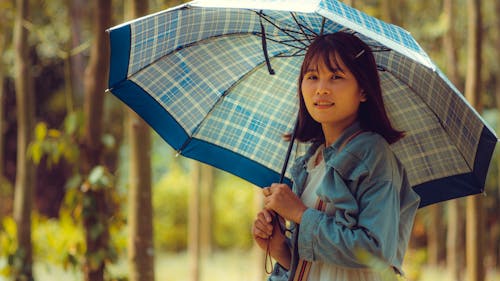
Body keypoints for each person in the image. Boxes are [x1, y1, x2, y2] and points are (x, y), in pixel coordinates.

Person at [252, 31, 420, 281]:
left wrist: (300, 214)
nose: (321, 89)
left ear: (363, 90)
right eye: (312, 76)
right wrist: (279, 249)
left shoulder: (374, 154)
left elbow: (375, 251)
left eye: (336, 77)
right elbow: (320, 267)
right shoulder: (310, 161)